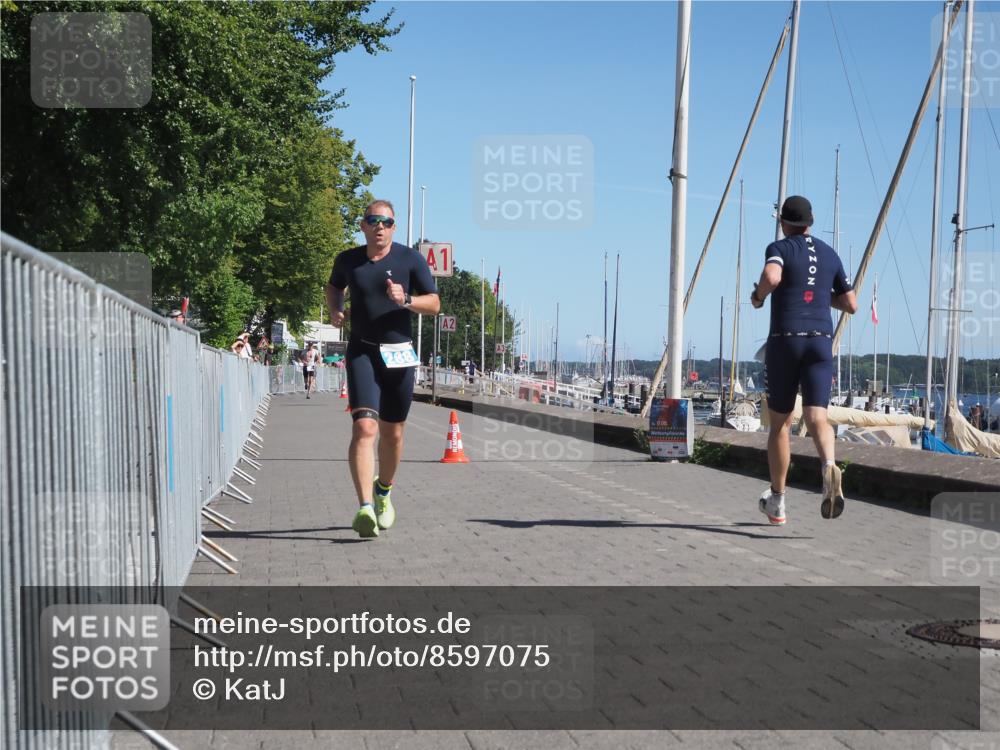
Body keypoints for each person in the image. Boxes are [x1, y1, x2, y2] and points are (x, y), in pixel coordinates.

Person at [326, 199, 440, 538]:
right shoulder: (348, 260)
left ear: (394, 227)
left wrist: (405, 300)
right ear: (362, 225)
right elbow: (334, 286)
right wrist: (336, 309)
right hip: (362, 351)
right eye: (374, 220)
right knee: (364, 429)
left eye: (387, 222)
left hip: (399, 356)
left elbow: (434, 303)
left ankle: (384, 491)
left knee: (393, 435)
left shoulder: (411, 259)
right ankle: (364, 509)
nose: (380, 226)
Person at [750, 196, 858, 525]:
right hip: (821, 342)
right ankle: (828, 466)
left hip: (786, 342)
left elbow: (771, 277)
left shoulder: (780, 248)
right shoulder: (829, 253)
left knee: (780, 424)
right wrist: (816, 291)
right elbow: (851, 303)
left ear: (784, 222)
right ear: (809, 221)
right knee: (817, 417)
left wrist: (758, 297)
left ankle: (778, 502)